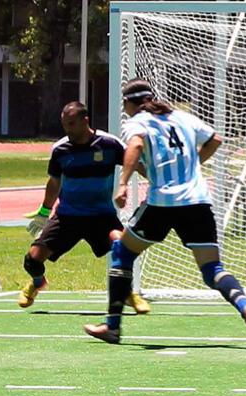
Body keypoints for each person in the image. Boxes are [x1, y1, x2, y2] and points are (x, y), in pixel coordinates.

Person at [84, 78, 246, 346]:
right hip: (198, 202)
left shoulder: (137, 122)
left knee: (122, 253)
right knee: (212, 269)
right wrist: (194, 164)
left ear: (129, 102)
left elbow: (135, 146)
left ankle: (112, 326)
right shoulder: (182, 117)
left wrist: (123, 183)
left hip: (163, 203)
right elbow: (215, 139)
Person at [19, 101, 150, 315]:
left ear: (85, 120)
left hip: (102, 216)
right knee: (32, 260)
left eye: (71, 124)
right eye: (64, 125)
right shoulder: (60, 149)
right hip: (67, 217)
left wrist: (155, 181)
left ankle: (128, 294)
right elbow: (54, 182)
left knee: (122, 247)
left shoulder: (109, 144)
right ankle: (37, 282)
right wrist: (44, 213)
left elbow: (133, 161)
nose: (68, 129)